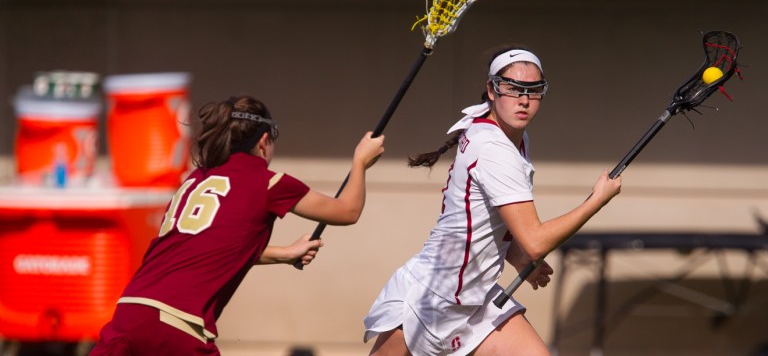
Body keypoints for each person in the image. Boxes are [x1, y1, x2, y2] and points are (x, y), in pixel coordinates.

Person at [363, 46, 622, 356]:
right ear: (492, 89)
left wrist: (517, 256)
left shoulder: (514, 136)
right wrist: (597, 201)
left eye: (534, 90)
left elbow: (486, 220)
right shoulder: (494, 148)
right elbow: (536, 241)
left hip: (476, 300)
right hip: (428, 298)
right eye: (512, 88)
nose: (523, 100)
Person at [90, 95, 385, 355]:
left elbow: (209, 246)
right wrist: (360, 162)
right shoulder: (268, 181)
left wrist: (285, 253)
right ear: (263, 142)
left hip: (129, 311)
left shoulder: (196, 179)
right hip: (176, 324)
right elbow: (347, 211)